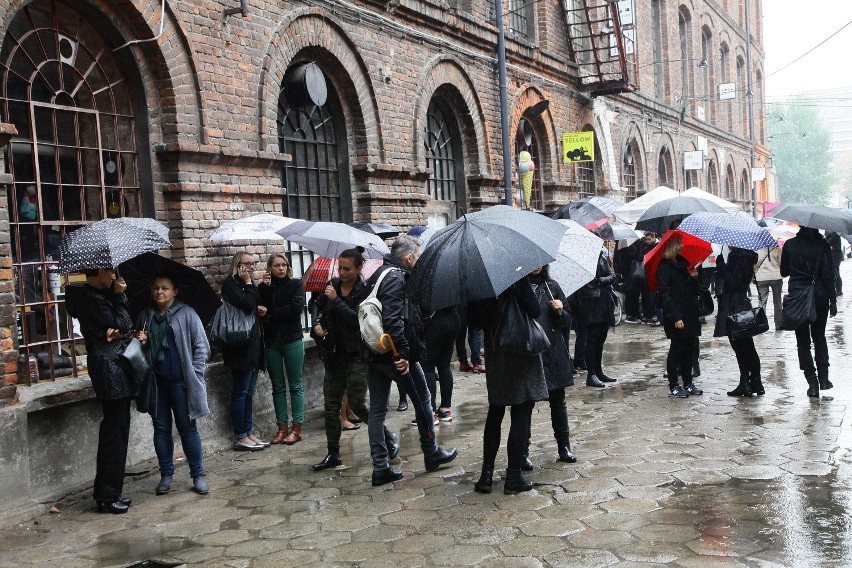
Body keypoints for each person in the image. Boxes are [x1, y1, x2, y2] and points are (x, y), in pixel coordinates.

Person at [363, 235, 457, 486]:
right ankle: (431, 451)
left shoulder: (378, 274)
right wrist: (402, 354)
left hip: (376, 353)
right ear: (409, 257)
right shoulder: (395, 277)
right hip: (394, 354)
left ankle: (380, 467)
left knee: (377, 410)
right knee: (424, 400)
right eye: (419, 256)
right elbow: (394, 319)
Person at [65, 268, 136, 514]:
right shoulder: (91, 299)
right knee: (114, 432)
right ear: (98, 273)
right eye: (111, 271)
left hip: (112, 364)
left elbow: (120, 330)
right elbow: (124, 325)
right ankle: (106, 496)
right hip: (109, 368)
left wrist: (119, 329)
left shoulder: (97, 296)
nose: (116, 277)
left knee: (117, 428)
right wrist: (119, 297)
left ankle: (111, 492)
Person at [469, 277, 549, 494]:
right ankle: (513, 476)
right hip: (519, 350)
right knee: (521, 411)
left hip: (495, 352)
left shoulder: (479, 282)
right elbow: (534, 310)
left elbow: (474, 320)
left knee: (495, 410)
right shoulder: (515, 276)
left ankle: (486, 476)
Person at [310, 248, 388, 470]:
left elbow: (357, 320)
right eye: (340, 268)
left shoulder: (364, 291)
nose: (342, 272)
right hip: (334, 354)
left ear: (358, 268)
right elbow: (316, 305)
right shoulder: (332, 285)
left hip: (356, 356)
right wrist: (316, 323)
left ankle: (386, 437)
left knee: (357, 404)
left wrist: (335, 301)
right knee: (331, 406)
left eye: (347, 268)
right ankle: (333, 453)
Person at [136, 275, 211, 495]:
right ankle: (166, 474)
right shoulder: (146, 316)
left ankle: (198, 474)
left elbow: (202, 347)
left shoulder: (187, 314)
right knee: (160, 429)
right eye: (156, 288)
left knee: (188, 429)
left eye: (165, 288)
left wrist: (195, 372)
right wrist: (141, 341)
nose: (159, 292)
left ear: (175, 291)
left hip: (182, 383)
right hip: (157, 383)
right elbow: (138, 353)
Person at [780, 227, 837, 397]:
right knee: (819, 337)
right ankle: (824, 379)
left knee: (802, 341)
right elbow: (828, 275)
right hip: (819, 296)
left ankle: (812, 383)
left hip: (798, 296)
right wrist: (833, 300)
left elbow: (784, 272)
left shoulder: (790, 245)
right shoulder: (823, 245)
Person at [528, 266, 577, 464]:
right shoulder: (520, 288)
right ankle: (523, 451)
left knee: (558, 402)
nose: (537, 266)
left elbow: (567, 321)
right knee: (526, 405)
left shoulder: (552, 286)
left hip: (553, 351)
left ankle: (564, 446)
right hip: (531, 351)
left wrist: (560, 310)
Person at [221, 251, 268, 451]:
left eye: (253, 263)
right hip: (238, 346)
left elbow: (253, 304)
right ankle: (240, 435)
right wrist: (249, 283)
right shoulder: (230, 284)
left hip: (253, 345)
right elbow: (248, 303)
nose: (250, 267)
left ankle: (248, 431)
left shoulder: (247, 284)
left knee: (248, 393)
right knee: (240, 392)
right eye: (247, 263)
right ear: (237, 264)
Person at [259, 253, 306, 445]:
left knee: (295, 385)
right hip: (272, 342)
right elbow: (260, 310)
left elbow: (294, 310)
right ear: (270, 268)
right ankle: (282, 427)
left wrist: (270, 313)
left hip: (292, 339)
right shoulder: (263, 288)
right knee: (277, 387)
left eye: (283, 265)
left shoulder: (295, 285)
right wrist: (267, 290)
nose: (281, 268)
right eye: (276, 265)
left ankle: (297, 428)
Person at [656, 234, 704, 398]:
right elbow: (665, 295)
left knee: (689, 349)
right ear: (671, 246)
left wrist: (693, 278)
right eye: (679, 244)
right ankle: (673, 384)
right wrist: (676, 317)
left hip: (690, 312)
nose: (682, 246)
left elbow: (691, 290)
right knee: (676, 349)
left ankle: (688, 382)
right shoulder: (664, 267)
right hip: (676, 315)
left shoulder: (683, 264)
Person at [715, 248, 763, 397]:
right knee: (748, 346)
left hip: (733, 306)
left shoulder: (738, 258)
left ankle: (745, 384)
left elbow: (733, 281)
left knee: (739, 346)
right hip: (742, 304)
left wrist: (721, 266)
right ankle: (755, 382)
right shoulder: (748, 258)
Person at [578, 247, 618, 387]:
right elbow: (588, 282)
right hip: (590, 305)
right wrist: (601, 280)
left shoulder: (601, 257)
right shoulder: (583, 259)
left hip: (604, 303)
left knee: (600, 340)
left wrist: (600, 280)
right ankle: (591, 374)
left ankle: (599, 371)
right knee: (592, 340)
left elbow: (612, 276)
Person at [423, 304, 461, 422]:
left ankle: (431, 412)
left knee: (428, 368)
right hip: (453, 320)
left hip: (435, 323)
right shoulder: (453, 286)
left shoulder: (428, 287)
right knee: (444, 365)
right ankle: (445, 408)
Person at [622, 233, 657, 324]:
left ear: (654, 238)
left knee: (648, 295)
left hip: (650, 272)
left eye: (649, 239)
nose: (647, 241)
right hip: (641, 272)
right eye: (646, 239)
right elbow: (638, 256)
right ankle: (643, 315)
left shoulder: (657, 245)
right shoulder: (642, 244)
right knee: (642, 293)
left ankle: (648, 315)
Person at [754, 246, 783, 329]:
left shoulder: (757, 249)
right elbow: (781, 263)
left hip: (761, 277)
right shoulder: (777, 249)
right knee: (777, 301)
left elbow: (755, 265)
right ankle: (778, 324)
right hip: (776, 276)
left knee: (762, 301)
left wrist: (754, 276)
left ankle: (761, 324)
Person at [826, 232, 844, 296]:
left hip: (836, 257)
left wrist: (829, 247)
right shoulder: (828, 235)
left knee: (836, 273)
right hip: (830, 256)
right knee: (832, 274)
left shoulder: (836, 236)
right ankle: (833, 289)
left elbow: (836, 248)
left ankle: (839, 290)